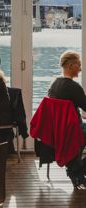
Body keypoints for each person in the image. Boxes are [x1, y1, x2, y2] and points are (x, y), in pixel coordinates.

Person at [48, 50, 86, 187]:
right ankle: (78, 170)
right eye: (78, 65)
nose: (80, 68)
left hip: (58, 131)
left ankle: (76, 170)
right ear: (70, 66)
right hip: (72, 130)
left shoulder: (53, 85)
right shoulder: (74, 87)